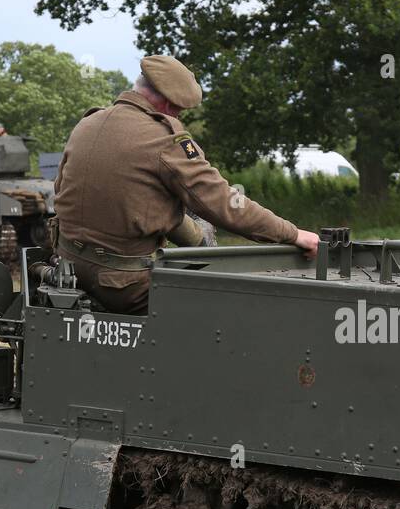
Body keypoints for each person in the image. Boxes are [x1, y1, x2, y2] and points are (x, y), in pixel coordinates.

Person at [53, 54, 319, 314]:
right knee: (241, 307)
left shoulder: (87, 123)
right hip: (125, 286)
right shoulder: (163, 139)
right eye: (180, 109)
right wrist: (293, 234)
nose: (179, 115)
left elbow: (61, 190)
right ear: (169, 105)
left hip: (67, 268)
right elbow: (224, 202)